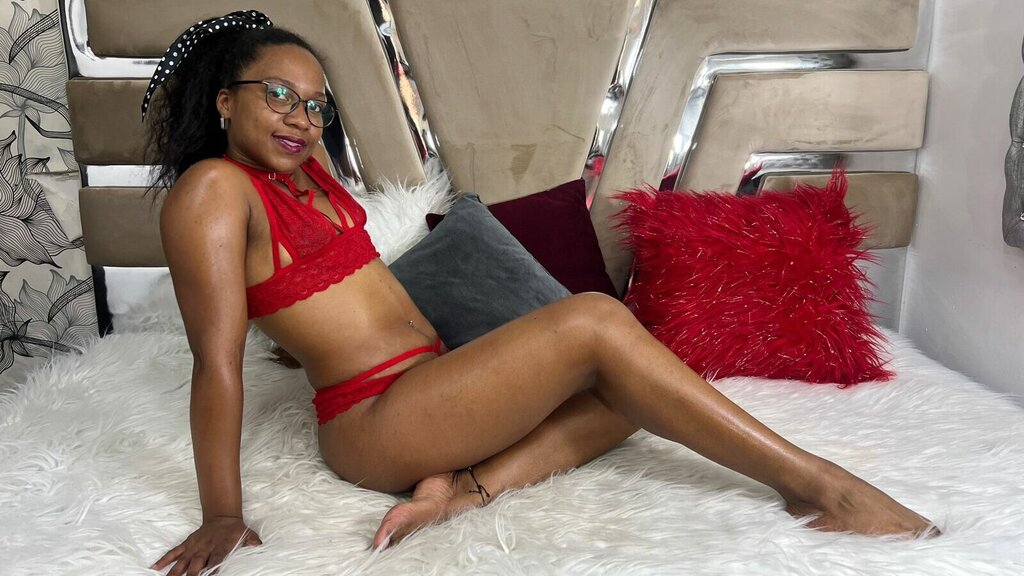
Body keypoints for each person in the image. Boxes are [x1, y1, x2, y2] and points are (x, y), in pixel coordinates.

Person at [147, 11, 936, 576]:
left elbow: (319, 294)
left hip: (428, 386)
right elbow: (216, 361)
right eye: (277, 94)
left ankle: (464, 492)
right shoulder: (212, 191)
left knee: (639, 385)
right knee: (596, 321)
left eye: (316, 104)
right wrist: (223, 513)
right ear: (224, 100)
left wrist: (300, 339)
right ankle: (820, 487)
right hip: (375, 419)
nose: (302, 117)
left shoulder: (301, 175)